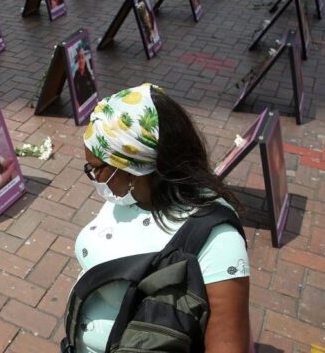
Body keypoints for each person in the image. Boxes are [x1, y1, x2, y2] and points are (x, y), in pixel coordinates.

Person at [74, 83, 250, 352]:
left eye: (98, 170)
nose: (94, 178)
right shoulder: (132, 194)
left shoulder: (217, 240)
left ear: (135, 168)